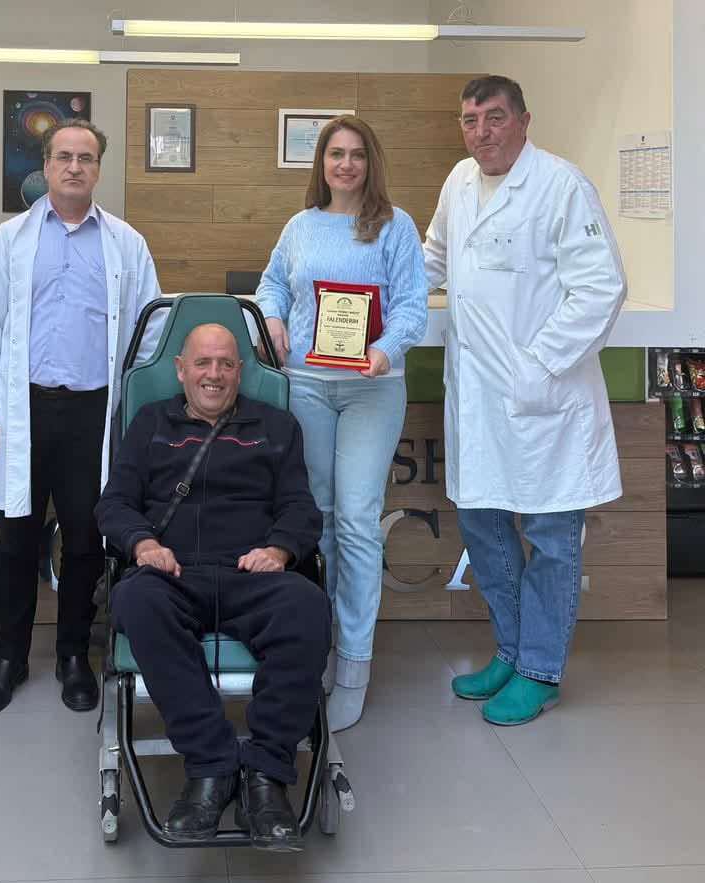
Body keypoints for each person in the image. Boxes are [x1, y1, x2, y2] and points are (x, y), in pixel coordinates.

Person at [423, 75, 627, 725]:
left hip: (544, 397)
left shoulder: (562, 186)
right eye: (470, 119)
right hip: (477, 398)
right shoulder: (459, 182)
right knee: (483, 529)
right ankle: (510, 652)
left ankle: (540, 669)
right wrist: (369, 298)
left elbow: (601, 288)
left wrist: (538, 365)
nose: (481, 131)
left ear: (523, 120)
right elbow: (432, 259)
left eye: (494, 117)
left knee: (550, 538)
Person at [0, 119, 162, 717]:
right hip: (24, 409)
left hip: (94, 414)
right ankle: (9, 659)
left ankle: (73, 656)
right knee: (16, 540)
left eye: (86, 158)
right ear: (45, 166)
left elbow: (148, 335)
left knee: (86, 539)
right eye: (63, 157)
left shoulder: (126, 243)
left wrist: (136, 417)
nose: (74, 167)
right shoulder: (11, 239)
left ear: (98, 169)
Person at [96, 323, 329, 852]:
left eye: (225, 363)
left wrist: (279, 551)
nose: (214, 374)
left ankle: (266, 775)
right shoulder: (150, 423)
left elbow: (299, 506)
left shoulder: (276, 426)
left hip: (253, 572)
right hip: (174, 573)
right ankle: (211, 765)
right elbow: (115, 503)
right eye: (202, 363)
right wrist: (143, 545)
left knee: (308, 607)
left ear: (240, 372)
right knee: (135, 599)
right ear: (180, 370)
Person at [254, 115, 428, 731]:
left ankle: (354, 664)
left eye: (356, 154)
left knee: (355, 521)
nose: (346, 164)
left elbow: (412, 307)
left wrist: (387, 348)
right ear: (321, 163)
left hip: (370, 389)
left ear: (370, 162)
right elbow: (272, 285)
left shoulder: (395, 226)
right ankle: (319, 645)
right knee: (317, 520)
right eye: (336, 154)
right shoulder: (300, 226)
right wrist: (272, 317)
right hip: (305, 386)